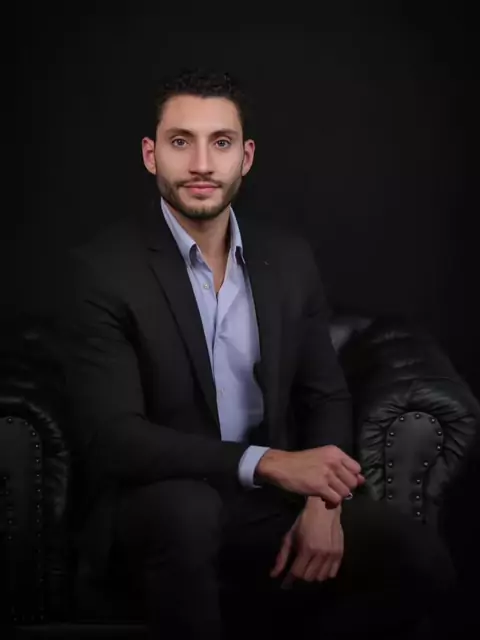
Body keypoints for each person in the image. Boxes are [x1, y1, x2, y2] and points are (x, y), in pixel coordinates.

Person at [56, 68, 455, 639]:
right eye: (180, 141)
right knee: (188, 512)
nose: (201, 164)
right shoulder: (103, 270)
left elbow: (325, 395)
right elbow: (114, 438)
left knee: (419, 560)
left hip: (268, 503)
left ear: (245, 157)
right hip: (156, 502)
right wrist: (268, 462)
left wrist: (323, 502)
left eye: (220, 142)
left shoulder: (288, 259)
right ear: (150, 155)